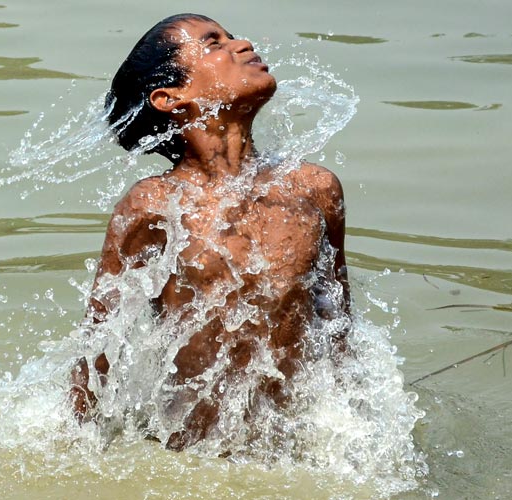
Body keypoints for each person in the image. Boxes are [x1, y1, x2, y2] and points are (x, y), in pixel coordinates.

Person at [69, 13, 350, 451]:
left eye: (232, 37)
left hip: (294, 446)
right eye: (214, 43)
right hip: (192, 456)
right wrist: (73, 452)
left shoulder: (314, 189)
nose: (243, 45)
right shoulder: (154, 206)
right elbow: (97, 350)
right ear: (170, 98)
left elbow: (338, 327)